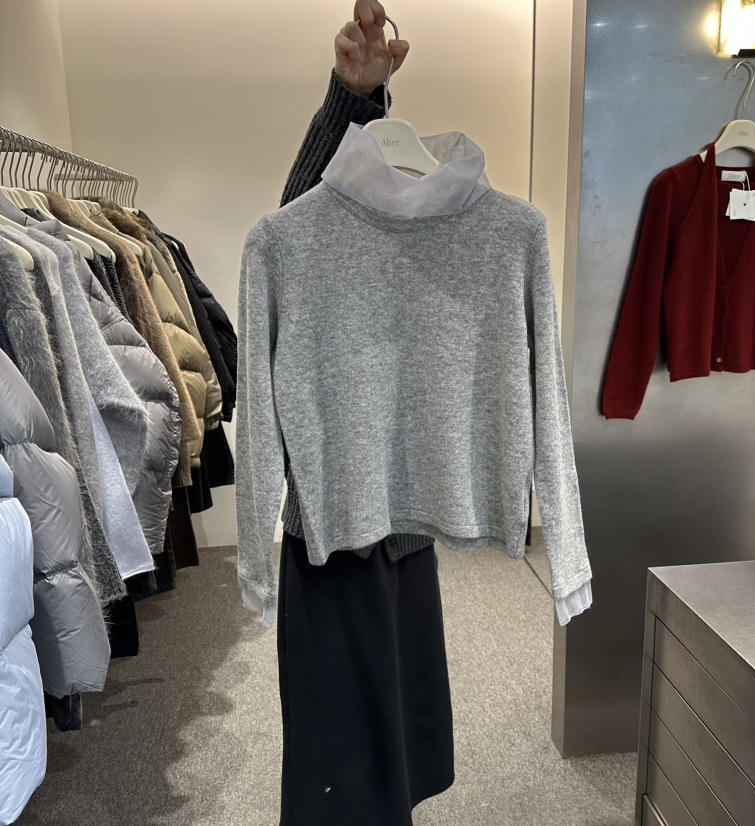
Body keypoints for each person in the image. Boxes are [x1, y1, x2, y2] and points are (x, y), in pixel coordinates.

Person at [273, 3, 455, 825]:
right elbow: (294, 223)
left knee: (396, 749)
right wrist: (351, 101)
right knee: (336, 762)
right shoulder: (306, 241)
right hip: (331, 534)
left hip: (406, 531)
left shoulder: (444, 235)